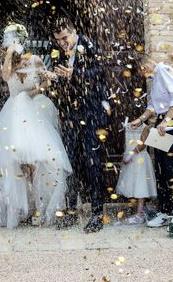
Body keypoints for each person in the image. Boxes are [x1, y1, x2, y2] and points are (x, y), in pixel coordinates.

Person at [0, 23, 72, 229]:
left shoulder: (35, 59)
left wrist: (40, 85)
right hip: (12, 116)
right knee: (15, 163)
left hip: (31, 113)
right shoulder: (9, 64)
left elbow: (46, 83)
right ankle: (21, 208)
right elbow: (5, 77)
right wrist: (9, 54)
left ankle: (39, 208)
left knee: (37, 161)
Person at [44, 18, 109, 233]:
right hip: (72, 116)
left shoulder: (89, 46)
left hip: (92, 115)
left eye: (65, 38)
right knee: (70, 162)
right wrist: (55, 77)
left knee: (92, 163)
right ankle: (71, 211)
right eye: (58, 40)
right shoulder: (63, 53)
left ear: (74, 32)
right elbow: (69, 83)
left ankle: (98, 214)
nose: (62, 43)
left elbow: (100, 73)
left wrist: (76, 74)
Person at [130, 55, 173, 228]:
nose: (143, 75)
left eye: (142, 70)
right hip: (162, 122)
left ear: (146, 64)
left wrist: (166, 121)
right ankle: (165, 211)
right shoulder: (154, 79)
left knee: (172, 166)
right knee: (161, 167)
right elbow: (153, 106)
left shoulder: (163, 70)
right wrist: (140, 120)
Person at [116, 121, 156, 224]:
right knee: (132, 184)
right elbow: (125, 141)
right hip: (129, 157)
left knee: (141, 185)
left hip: (140, 158)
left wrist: (131, 154)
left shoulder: (145, 127)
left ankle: (140, 214)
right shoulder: (127, 125)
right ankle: (137, 211)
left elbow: (143, 143)